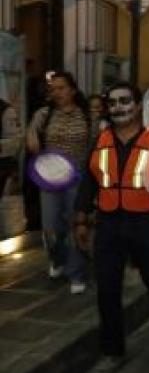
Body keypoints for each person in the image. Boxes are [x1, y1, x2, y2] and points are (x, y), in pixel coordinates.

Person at [74, 82, 149, 373]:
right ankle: (113, 351)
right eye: (112, 103)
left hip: (146, 222)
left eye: (125, 101)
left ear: (138, 106)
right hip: (109, 223)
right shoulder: (99, 141)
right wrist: (81, 219)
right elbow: (89, 182)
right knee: (107, 289)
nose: (118, 107)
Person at [26, 71, 90, 294]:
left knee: (75, 224)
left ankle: (76, 272)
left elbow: (94, 145)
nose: (57, 93)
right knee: (51, 227)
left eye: (61, 88)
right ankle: (58, 258)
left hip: (77, 177)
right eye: (53, 89)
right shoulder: (44, 114)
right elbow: (32, 134)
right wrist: (32, 140)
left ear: (73, 90)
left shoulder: (86, 114)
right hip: (49, 178)